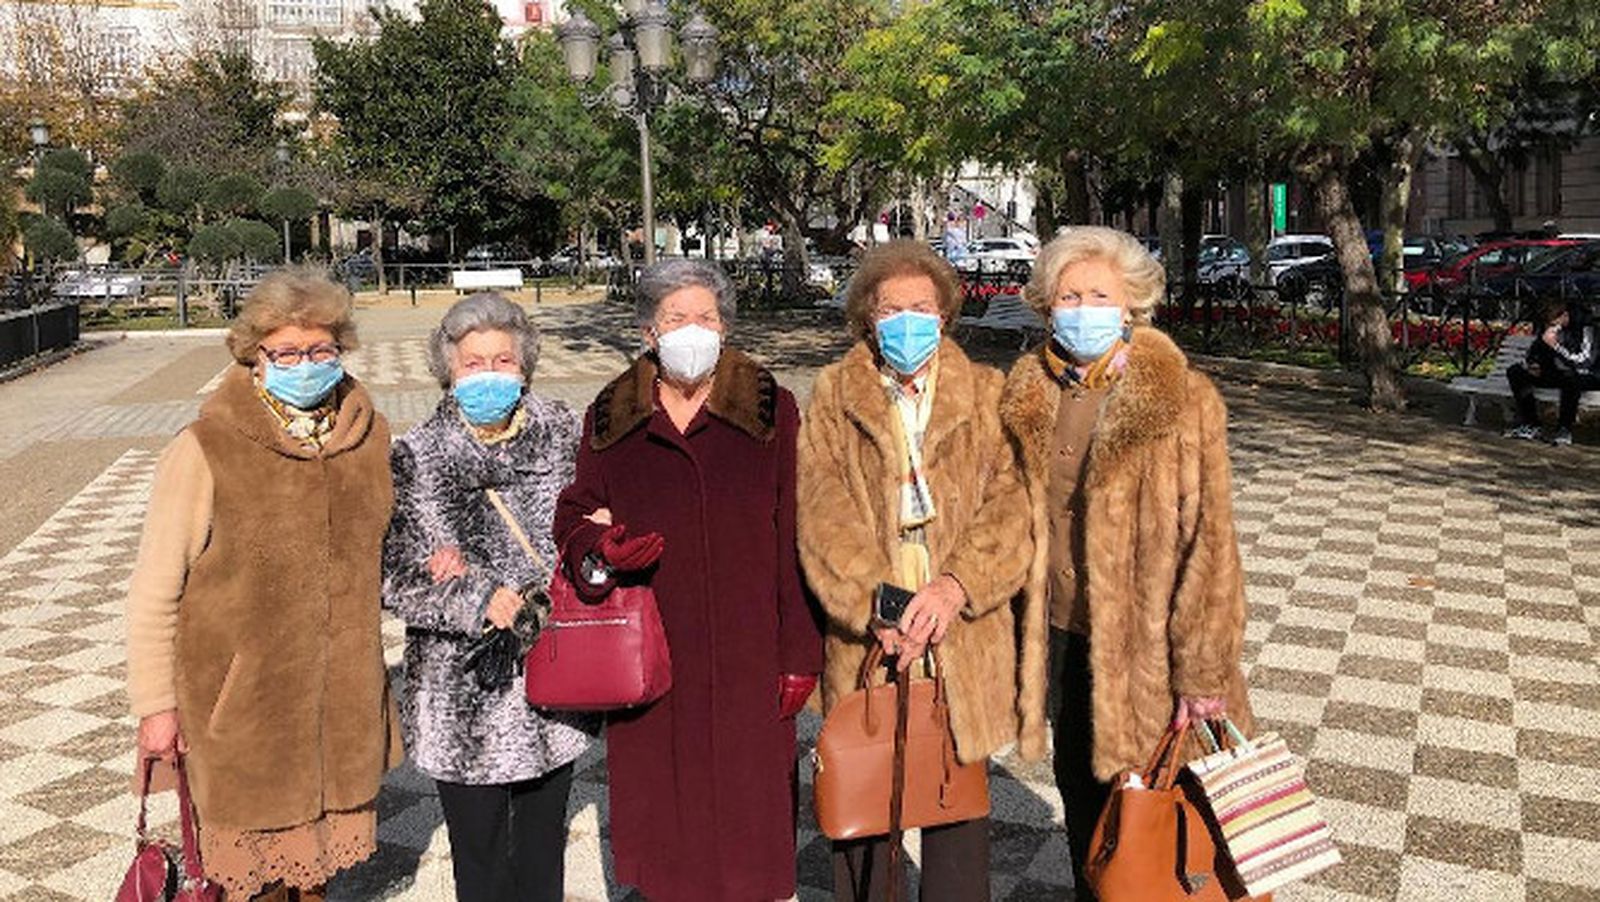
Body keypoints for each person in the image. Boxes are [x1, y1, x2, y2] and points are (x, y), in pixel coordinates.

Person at [125, 270, 401, 901]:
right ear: (255, 355)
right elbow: (155, 589)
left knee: (317, 879)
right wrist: (156, 707)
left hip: (343, 711)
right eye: (288, 352)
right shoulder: (206, 447)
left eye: (322, 349)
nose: (307, 365)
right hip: (243, 714)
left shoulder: (370, 439)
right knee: (248, 884)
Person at [997, 226, 1255, 902]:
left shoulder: (1180, 399)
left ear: (1131, 305)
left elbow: (1210, 541)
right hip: (1061, 634)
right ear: (1046, 306)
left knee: (1157, 814)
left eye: (1099, 296)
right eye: (1069, 296)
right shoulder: (1029, 390)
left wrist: (1203, 669)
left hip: (1151, 650)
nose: (1083, 309)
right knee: (1086, 806)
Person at [553, 258, 823, 902]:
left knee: (748, 811)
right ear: (648, 331)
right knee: (664, 814)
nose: (692, 329)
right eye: (675, 318)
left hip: (749, 648)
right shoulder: (612, 413)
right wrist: (600, 545)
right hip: (650, 646)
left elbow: (798, 531)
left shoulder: (770, 408)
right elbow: (575, 511)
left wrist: (800, 651)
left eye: (706, 316)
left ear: (725, 327)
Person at [797, 240, 1033, 902]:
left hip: (962, 630)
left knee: (956, 809)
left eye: (921, 308)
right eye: (890, 309)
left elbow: (1012, 507)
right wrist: (882, 607)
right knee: (865, 809)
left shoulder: (987, 393)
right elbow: (821, 512)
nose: (907, 322)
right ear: (867, 319)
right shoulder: (834, 395)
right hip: (872, 631)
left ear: (945, 314)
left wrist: (957, 587)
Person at [381, 293, 593, 902]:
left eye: (503, 360)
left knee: (542, 846)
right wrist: (472, 595)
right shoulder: (417, 455)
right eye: (473, 363)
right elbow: (394, 575)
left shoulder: (564, 435)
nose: (489, 374)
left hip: (552, 676)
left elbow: (586, 529)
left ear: (525, 368)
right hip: (461, 694)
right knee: (479, 858)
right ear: (448, 370)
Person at [1505, 299, 1597, 446]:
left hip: (1586, 374)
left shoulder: (1586, 329)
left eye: (1554, 324)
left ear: (1565, 316)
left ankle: (1564, 429)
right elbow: (1535, 351)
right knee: (1515, 371)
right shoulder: (1548, 328)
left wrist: (1555, 346)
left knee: (1570, 378)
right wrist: (1532, 364)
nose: (1551, 328)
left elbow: (1584, 362)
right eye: (1548, 325)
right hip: (1556, 372)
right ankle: (1531, 424)